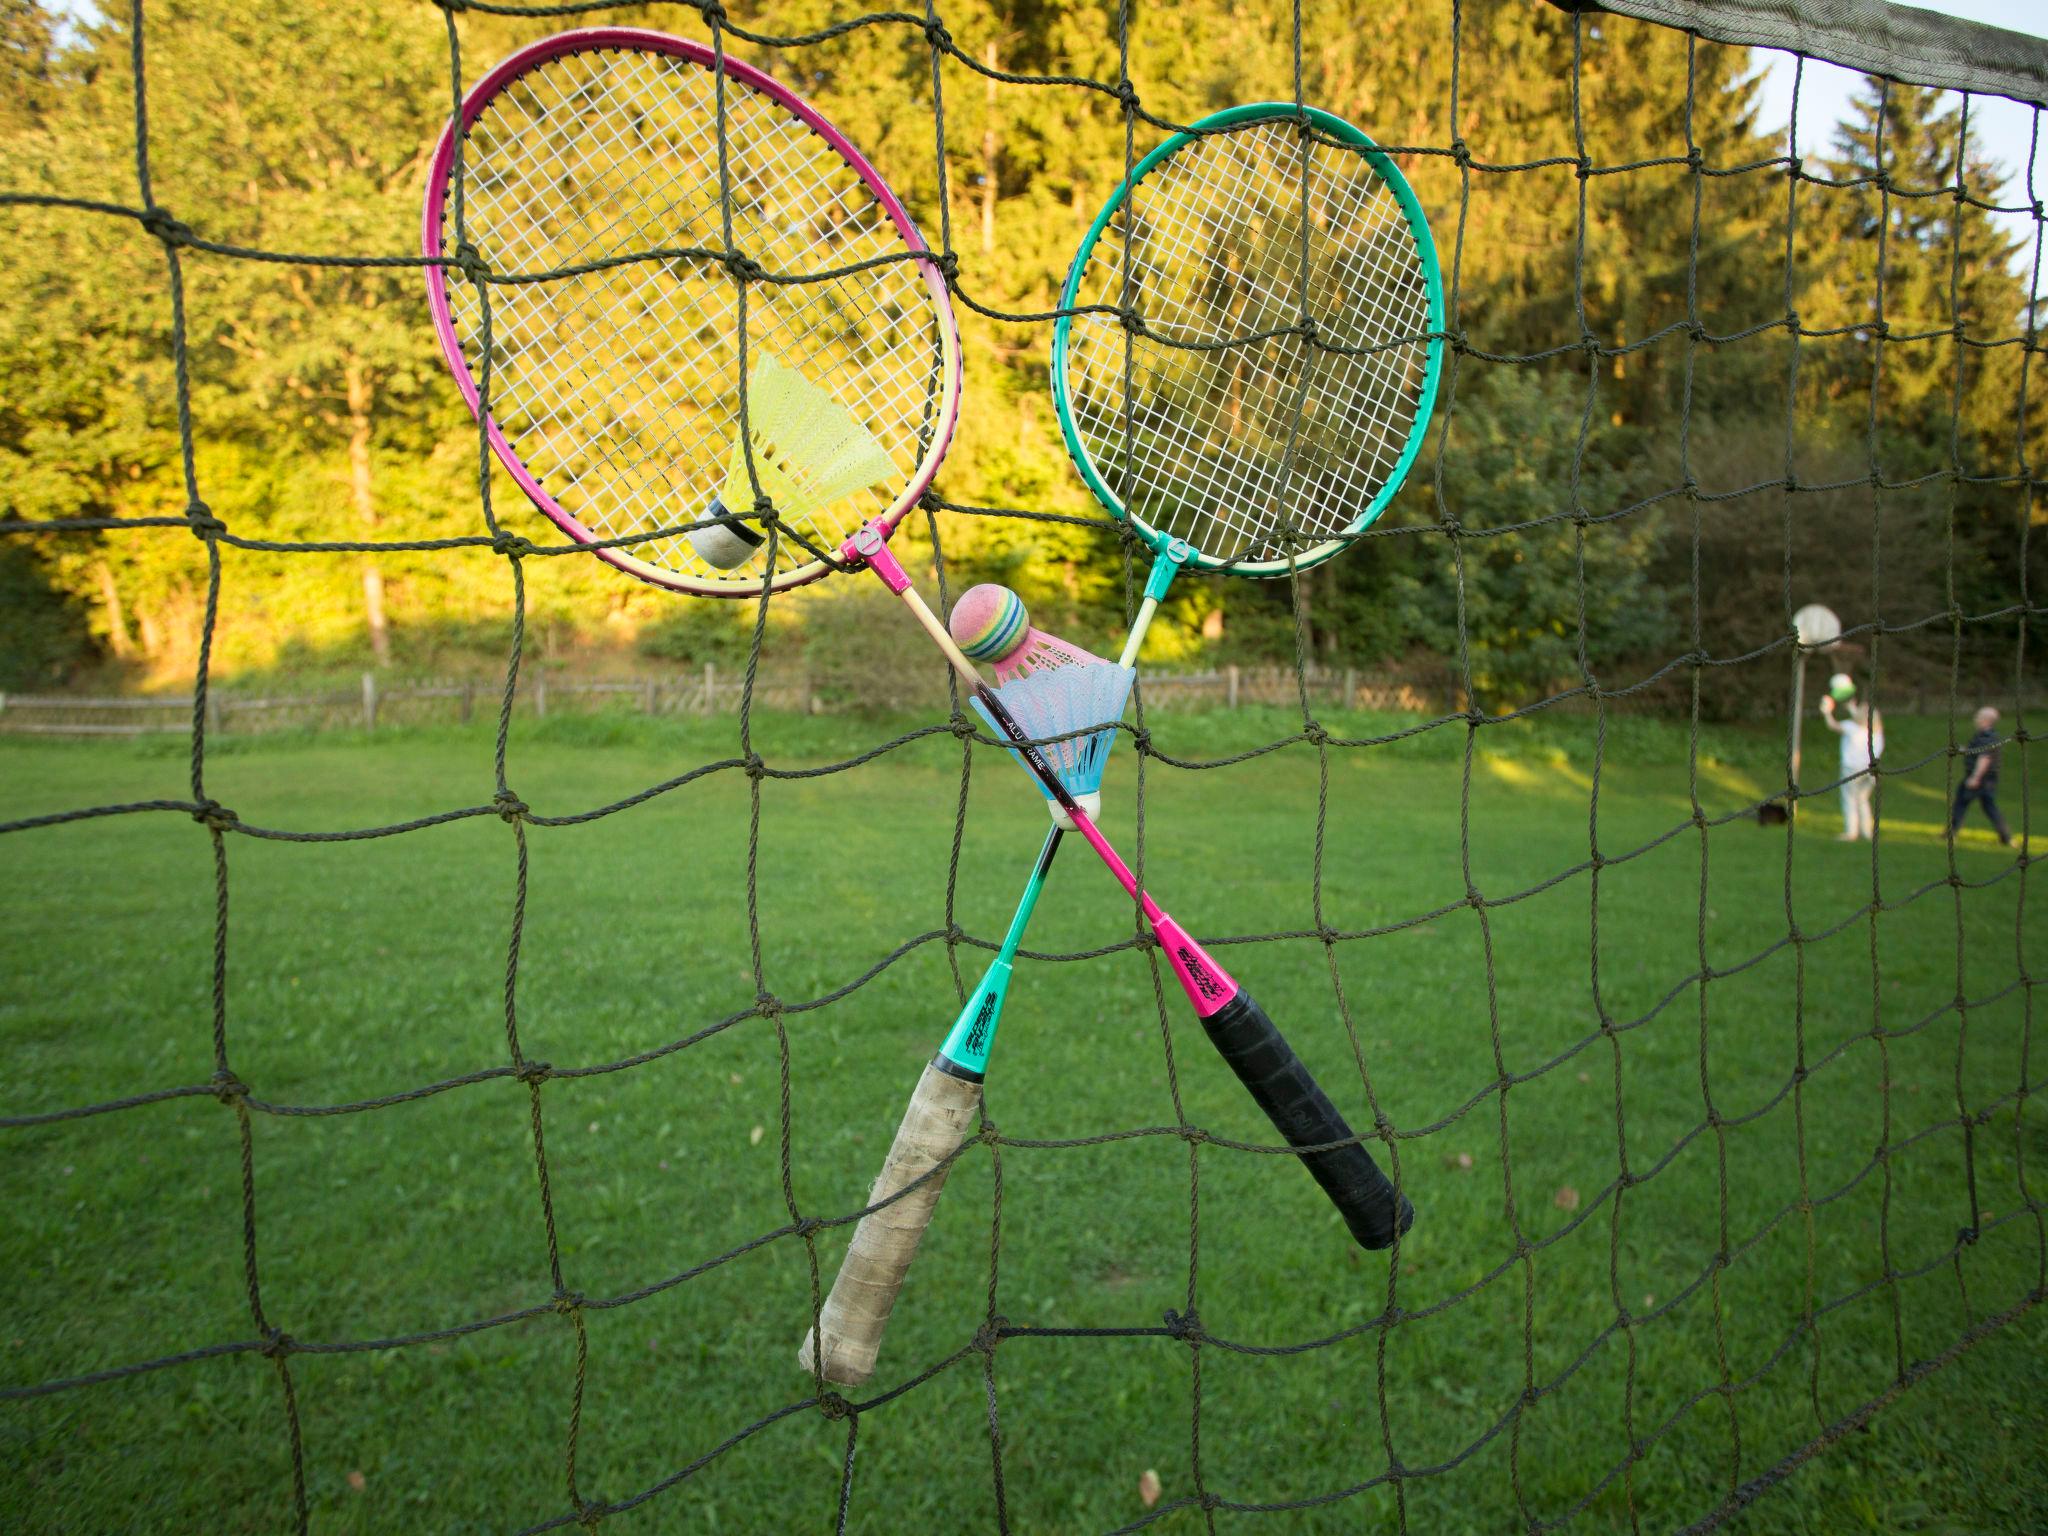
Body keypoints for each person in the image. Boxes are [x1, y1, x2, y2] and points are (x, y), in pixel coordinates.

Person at [1819, 674, 1884, 842]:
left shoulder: (1851, 727)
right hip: (1870, 772)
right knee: (1862, 800)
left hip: (1851, 770)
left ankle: (1851, 832)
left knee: (1849, 799)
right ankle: (1868, 832)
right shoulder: (1877, 734)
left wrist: (1826, 712)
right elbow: (1864, 718)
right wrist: (1852, 708)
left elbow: (1832, 725)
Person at [1949, 705, 2013, 847]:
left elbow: (1985, 758)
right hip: (1986, 779)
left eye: (1978, 716)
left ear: (1986, 720)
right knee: (1989, 807)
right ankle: (2006, 837)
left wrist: (1975, 777)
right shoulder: (1984, 736)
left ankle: (1951, 834)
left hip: (1981, 779)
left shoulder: (1988, 737)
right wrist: (1962, 750)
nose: (1975, 718)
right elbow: (1977, 752)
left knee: (1960, 803)